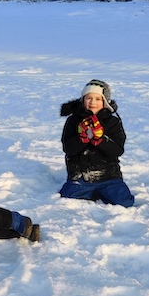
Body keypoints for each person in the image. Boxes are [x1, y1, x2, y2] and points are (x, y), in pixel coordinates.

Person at [59, 79, 135, 207]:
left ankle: (102, 192)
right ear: (83, 100)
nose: (92, 102)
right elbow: (68, 149)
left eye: (98, 99)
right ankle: (91, 193)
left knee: (124, 202)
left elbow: (117, 150)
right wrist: (81, 139)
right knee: (67, 198)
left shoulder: (113, 122)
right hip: (80, 178)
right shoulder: (73, 120)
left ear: (105, 102)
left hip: (109, 177)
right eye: (88, 98)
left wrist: (101, 140)